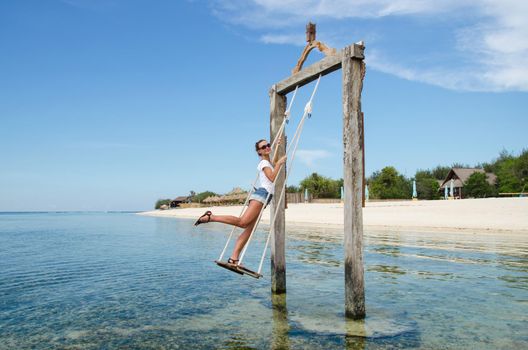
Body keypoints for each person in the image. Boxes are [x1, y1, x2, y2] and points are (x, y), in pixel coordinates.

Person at [194, 139, 287, 266]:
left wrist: (277, 146)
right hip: (261, 195)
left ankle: (233, 258)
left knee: (249, 230)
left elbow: (273, 164)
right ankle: (211, 217)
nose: (267, 148)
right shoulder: (264, 163)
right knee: (243, 223)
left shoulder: (268, 162)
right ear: (259, 151)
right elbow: (272, 177)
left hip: (264, 198)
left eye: (268, 145)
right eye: (263, 147)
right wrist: (280, 164)